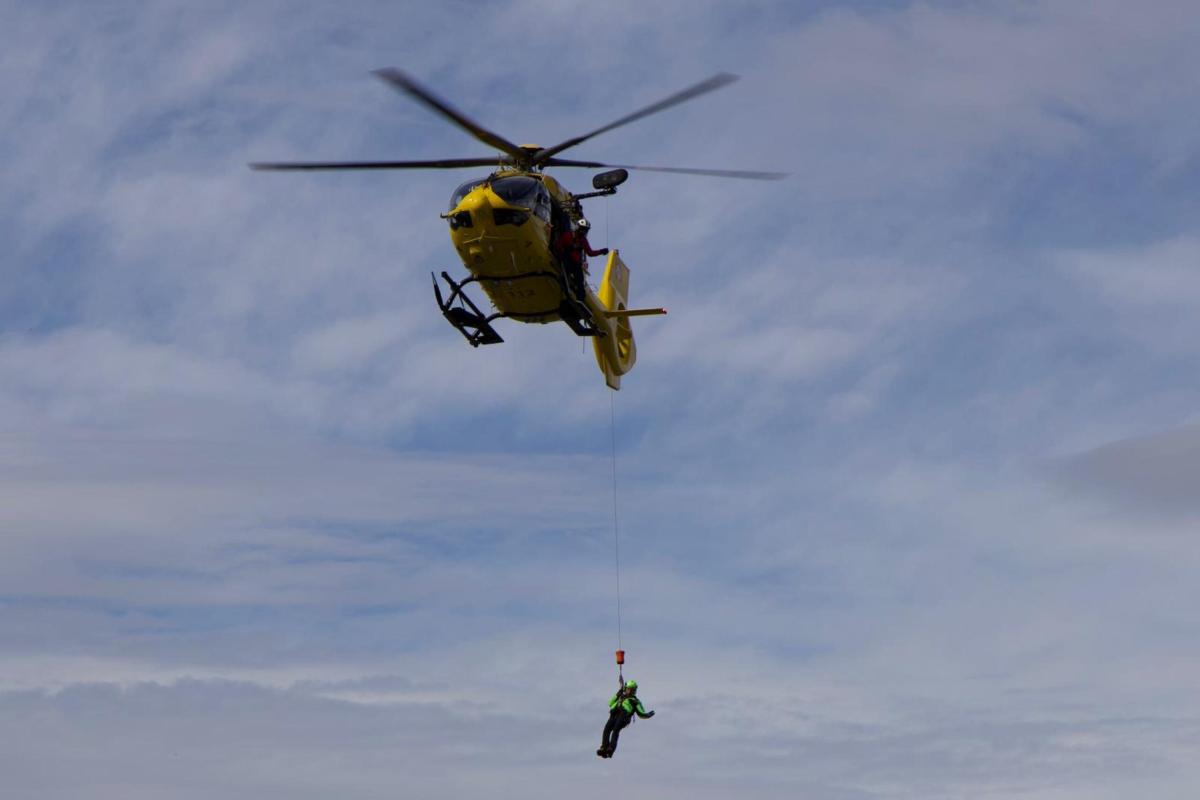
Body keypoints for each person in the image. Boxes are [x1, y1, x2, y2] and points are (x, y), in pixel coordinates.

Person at [553, 218, 608, 302]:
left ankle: (580, 300)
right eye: (582, 229)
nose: (583, 232)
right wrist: (564, 251)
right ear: (577, 228)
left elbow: (590, 252)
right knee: (566, 270)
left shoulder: (583, 241)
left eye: (585, 230)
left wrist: (601, 251)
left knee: (580, 282)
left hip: (576, 264)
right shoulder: (567, 235)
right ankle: (564, 289)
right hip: (566, 260)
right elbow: (558, 246)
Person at [597, 678, 654, 758]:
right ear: (625, 688)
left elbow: (641, 712)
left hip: (623, 717)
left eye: (632, 690)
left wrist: (647, 715)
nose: (629, 691)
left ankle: (611, 749)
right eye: (628, 689)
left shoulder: (634, 701)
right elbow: (610, 703)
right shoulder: (621, 696)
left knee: (616, 730)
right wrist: (618, 693)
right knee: (607, 729)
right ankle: (604, 747)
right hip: (614, 714)